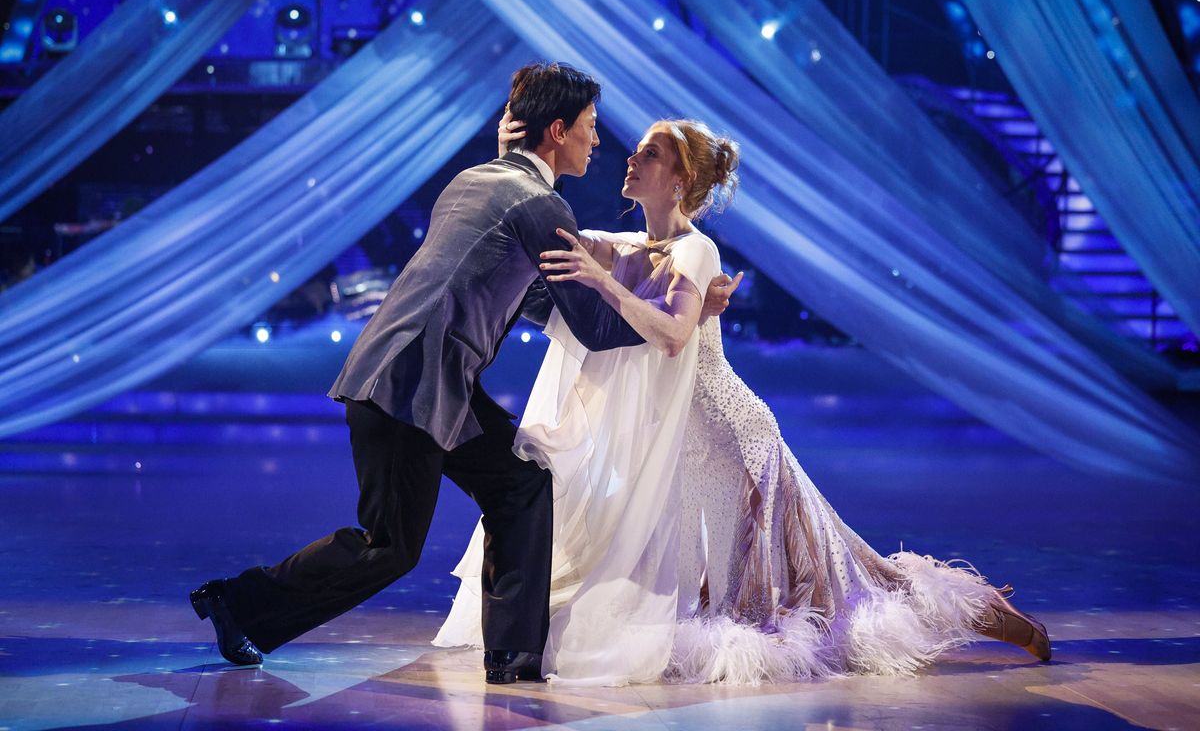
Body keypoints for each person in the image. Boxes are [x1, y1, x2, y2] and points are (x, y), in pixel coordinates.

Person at [433, 115, 1051, 685]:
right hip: (689, 447)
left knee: (837, 575)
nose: (629, 159)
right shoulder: (624, 245)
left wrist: (600, 282)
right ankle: (985, 615)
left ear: (679, 183)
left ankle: (999, 620)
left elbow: (673, 336)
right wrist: (511, 156)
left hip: (737, 437)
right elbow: (544, 225)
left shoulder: (696, 251)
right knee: (776, 579)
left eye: (649, 154)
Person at [188, 62, 739, 685]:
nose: (597, 140)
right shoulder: (538, 203)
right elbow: (595, 328)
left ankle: (514, 654)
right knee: (387, 546)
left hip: (434, 378)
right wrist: (684, 314)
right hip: (411, 381)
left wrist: (637, 288)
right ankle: (238, 603)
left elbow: (519, 291)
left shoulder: (478, 179)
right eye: (588, 127)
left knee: (520, 483)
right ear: (557, 131)